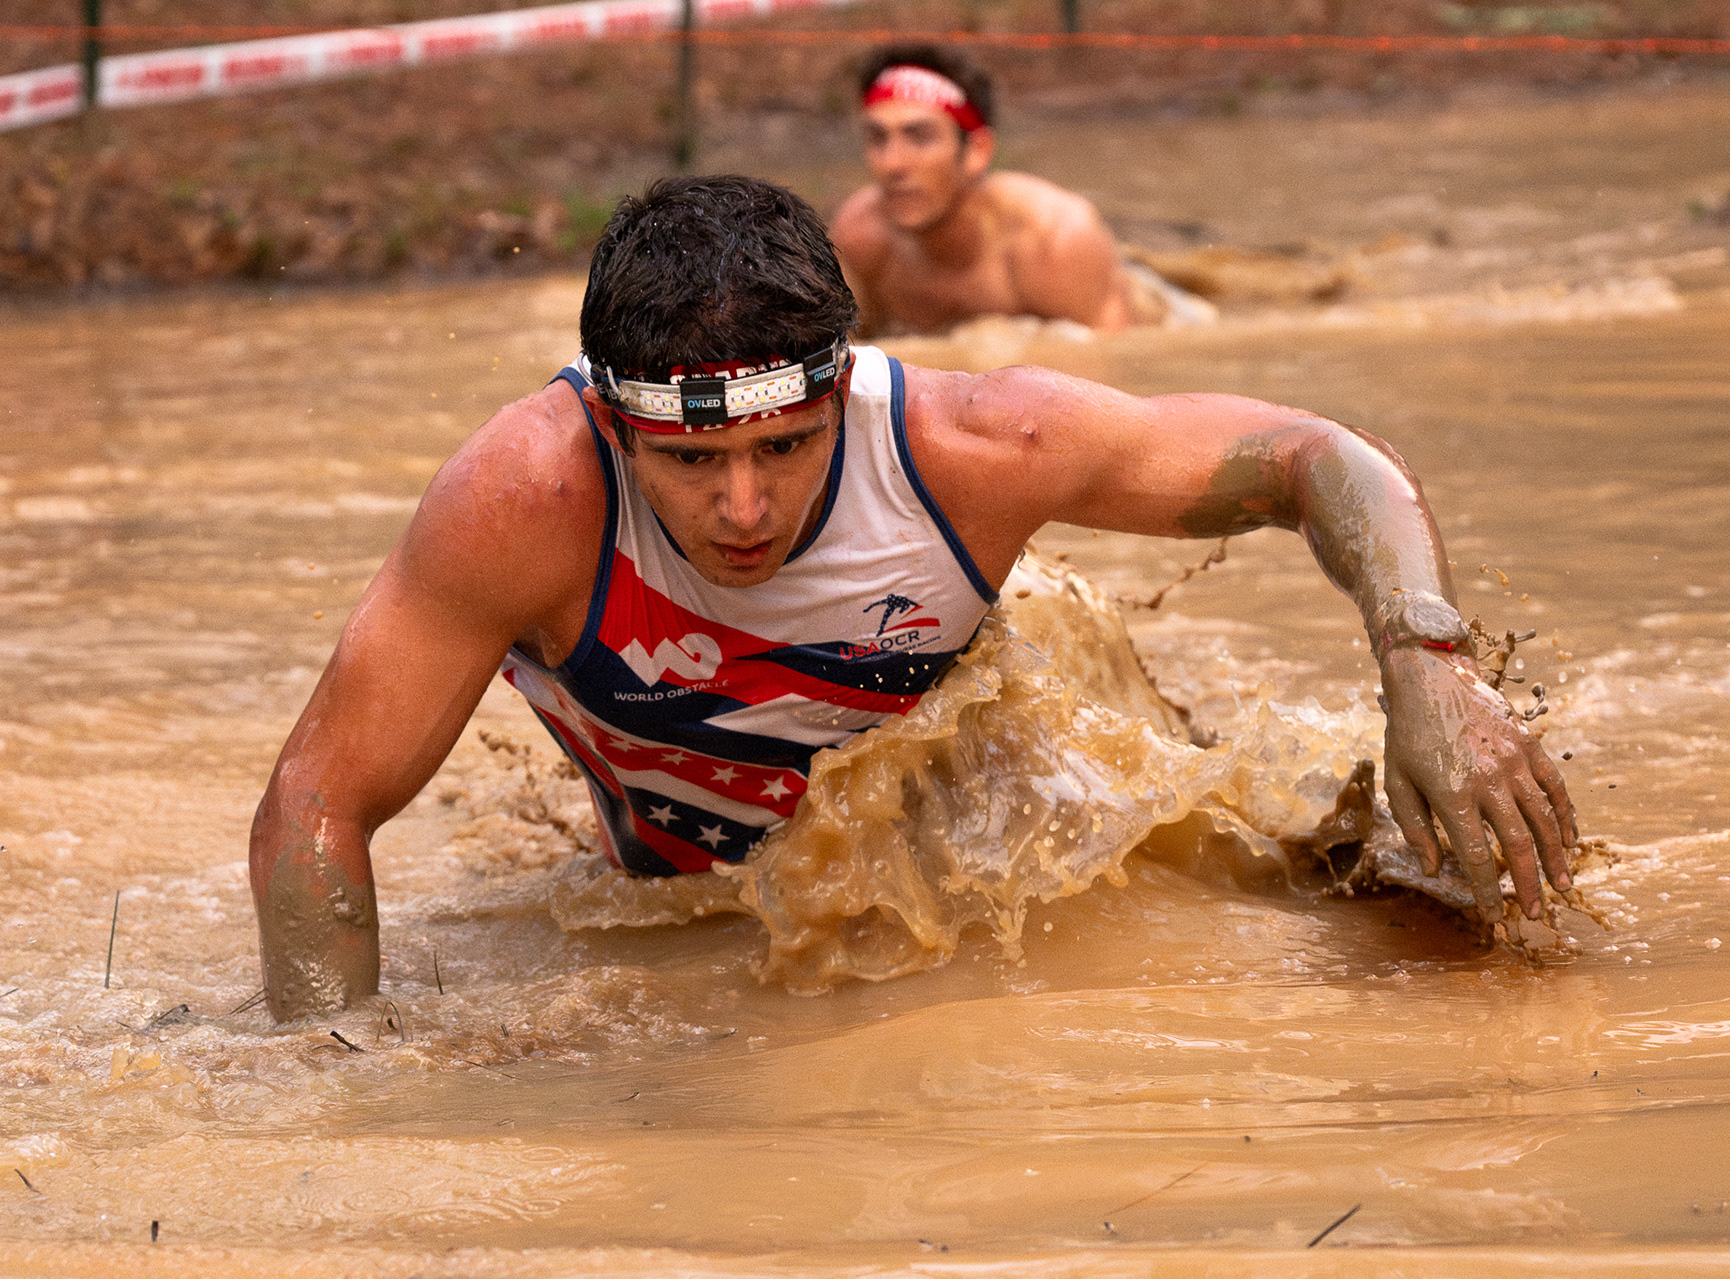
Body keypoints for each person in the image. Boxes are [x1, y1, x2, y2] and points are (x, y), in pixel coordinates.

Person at [249, 174, 1578, 1021]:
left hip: (983, 816)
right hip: (685, 885)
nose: (745, 507)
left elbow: (1317, 458)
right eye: (693, 463)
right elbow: (317, 803)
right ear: (613, 425)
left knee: (1426, 920)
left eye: (786, 446)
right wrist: (330, 1082)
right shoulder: (520, 502)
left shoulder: (976, 442)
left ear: (843, 390)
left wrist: (1428, 663)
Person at [829, 44, 1210, 335]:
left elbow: (1122, 381)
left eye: (920, 137)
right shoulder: (861, 240)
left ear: (977, 152)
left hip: (1153, 304)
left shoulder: (1055, 240)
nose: (892, 163)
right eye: (877, 138)